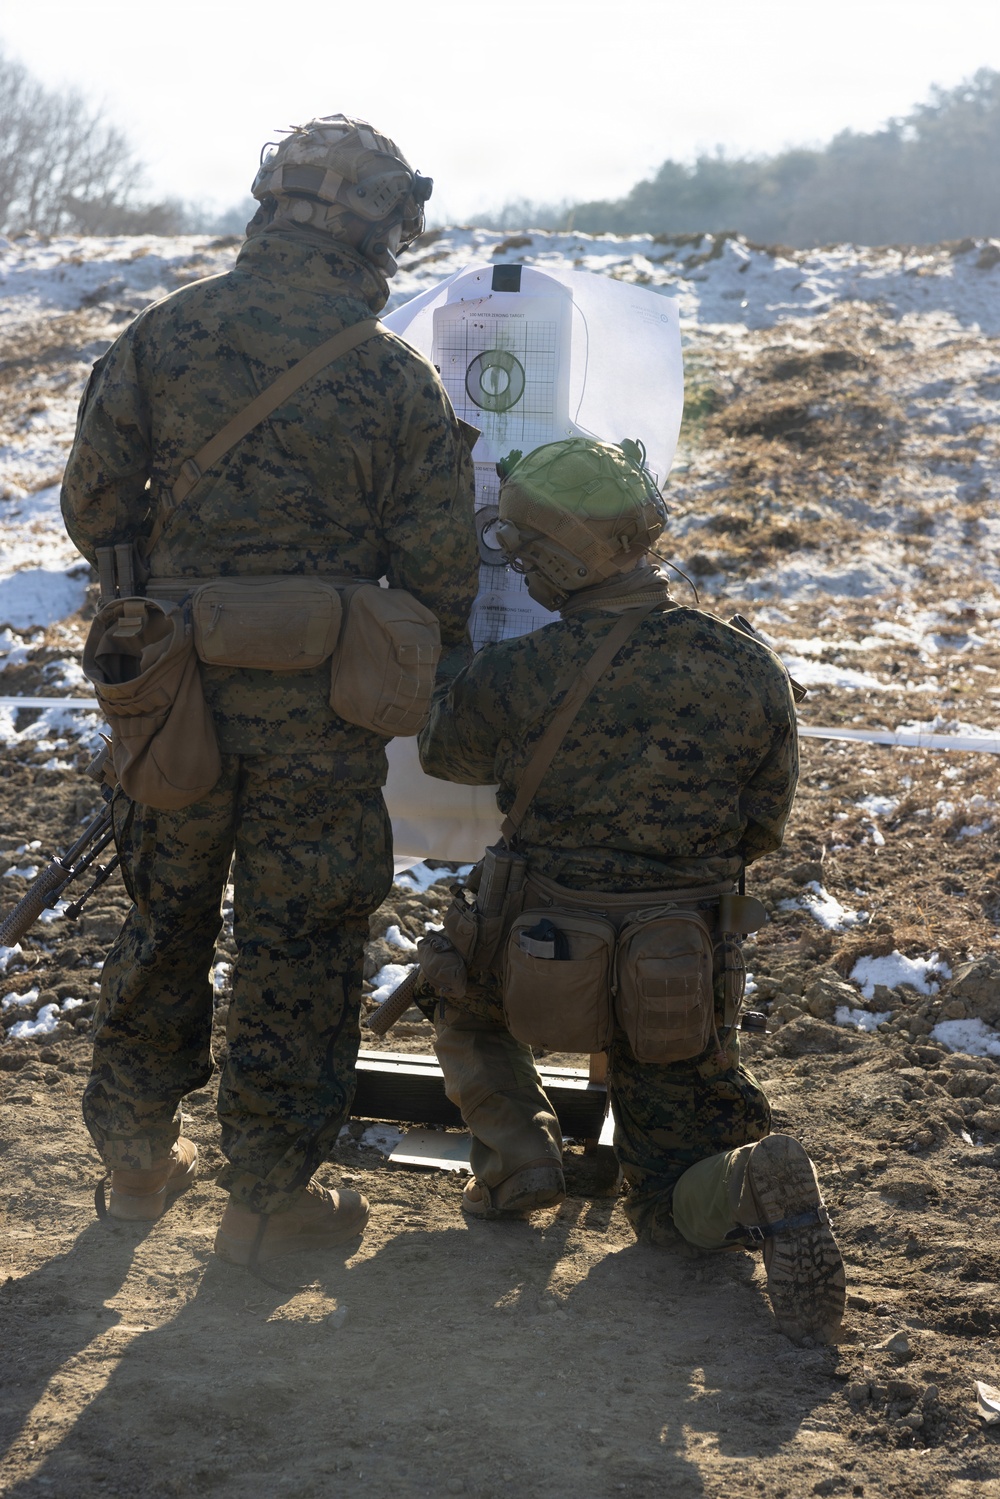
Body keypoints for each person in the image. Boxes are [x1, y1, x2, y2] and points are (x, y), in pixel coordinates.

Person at [61, 115, 479, 1264]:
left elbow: (95, 507)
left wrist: (172, 598)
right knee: (299, 943)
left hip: (172, 697)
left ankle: (137, 1165)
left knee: (163, 918)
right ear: (383, 228)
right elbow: (441, 574)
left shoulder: (163, 335)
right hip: (321, 715)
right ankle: (262, 1206)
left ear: (267, 203)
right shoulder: (391, 377)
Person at [417, 437, 846, 1343]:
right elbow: (760, 828)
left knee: (457, 994)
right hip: (679, 964)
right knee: (667, 1200)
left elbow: (442, 747)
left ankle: (518, 1155)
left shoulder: (521, 672)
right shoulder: (745, 664)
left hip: (535, 947)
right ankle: (737, 1182)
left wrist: (453, 641)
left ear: (552, 564)